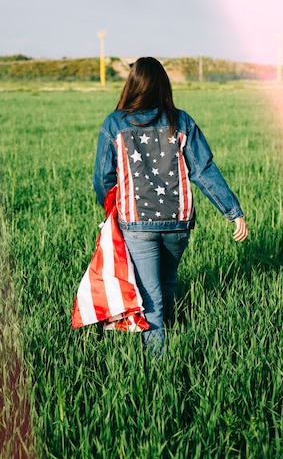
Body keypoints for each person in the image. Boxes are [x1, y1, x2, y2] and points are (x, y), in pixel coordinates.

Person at [93, 57, 248, 355]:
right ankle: (170, 334)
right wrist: (233, 211)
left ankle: (159, 365)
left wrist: (110, 206)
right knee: (167, 282)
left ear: (131, 84)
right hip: (178, 222)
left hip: (136, 224)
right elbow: (203, 170)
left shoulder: (114, 124)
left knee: (150, 296)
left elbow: (102, 178)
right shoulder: (181, 121)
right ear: (164, 85)